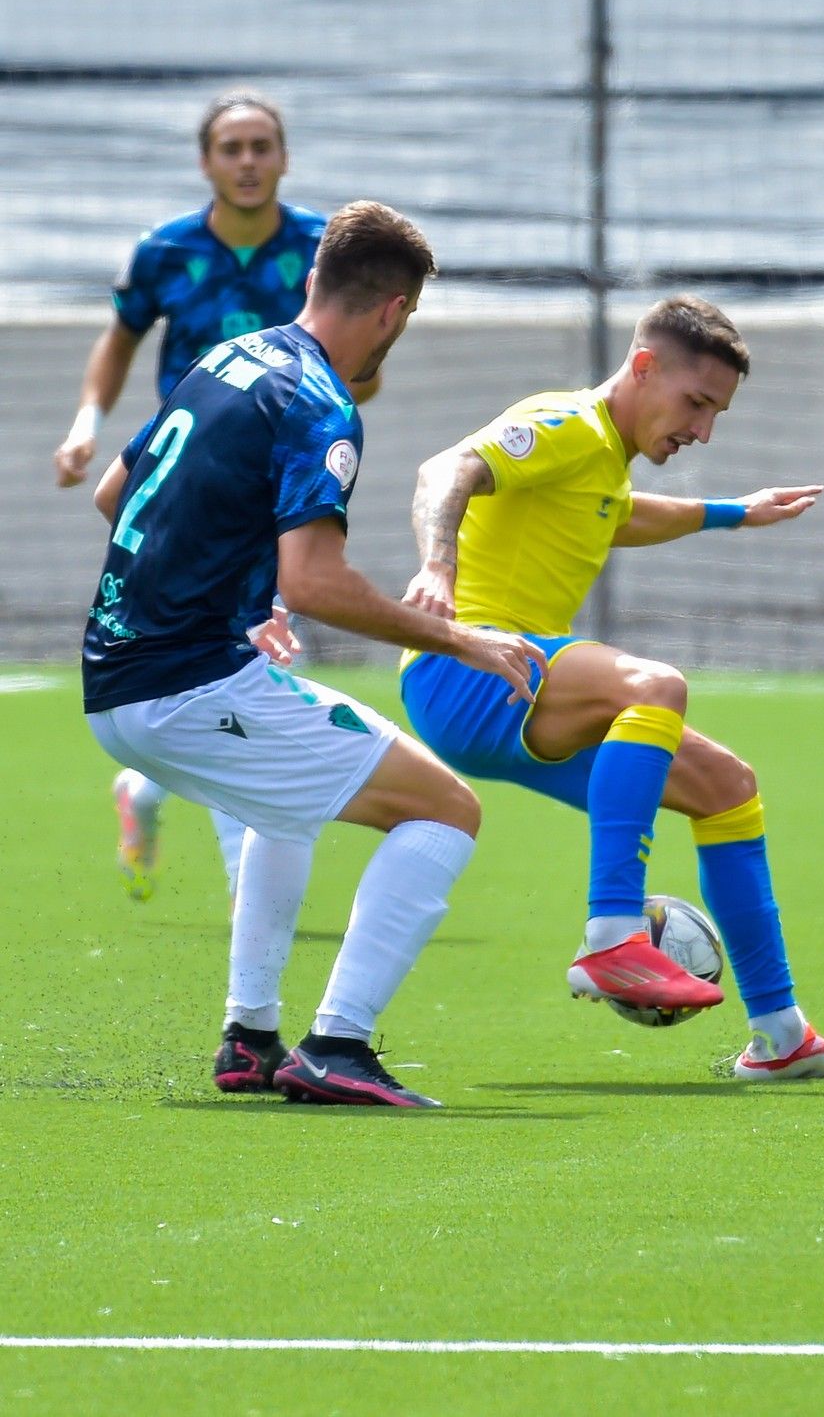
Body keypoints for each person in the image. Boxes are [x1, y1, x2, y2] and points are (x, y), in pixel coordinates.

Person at [83, 199, 547, 1108]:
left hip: (116, 681)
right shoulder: (319, 401)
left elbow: (113, 493)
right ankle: (338, 1043)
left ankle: (249, 1035)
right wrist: (461, 637)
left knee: (285, 808)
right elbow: (323, 583)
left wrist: (239, 606)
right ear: (395, 312)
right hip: (183, 685)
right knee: (446, 809)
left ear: (311, 280)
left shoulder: (228, 355)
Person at [399, 294, 824, 1082]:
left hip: (525, 693)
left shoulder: (601, 463)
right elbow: (443, 470)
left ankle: (779, 1034)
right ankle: (613, 934)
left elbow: (615, 516)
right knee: (654, 686)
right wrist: (438, 571)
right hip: (464, 670)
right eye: (696, 403)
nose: (703, 429)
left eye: (717, 412)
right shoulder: (566, 424)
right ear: (644, 366)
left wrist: (734, 513)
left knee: (727, 785)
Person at [55, 88, 374, 904]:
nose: (247, 160)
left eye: (261, 145)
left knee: (235, 670)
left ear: (283, 158)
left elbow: (359, 367)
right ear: (206, 162)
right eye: (230, 147)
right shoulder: (163, 251)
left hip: (271, 493)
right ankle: (228, 866)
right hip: (182, 492)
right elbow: (118, 341)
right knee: (233, 669)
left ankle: (153, 792)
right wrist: (87, 422)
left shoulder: (321, 252)